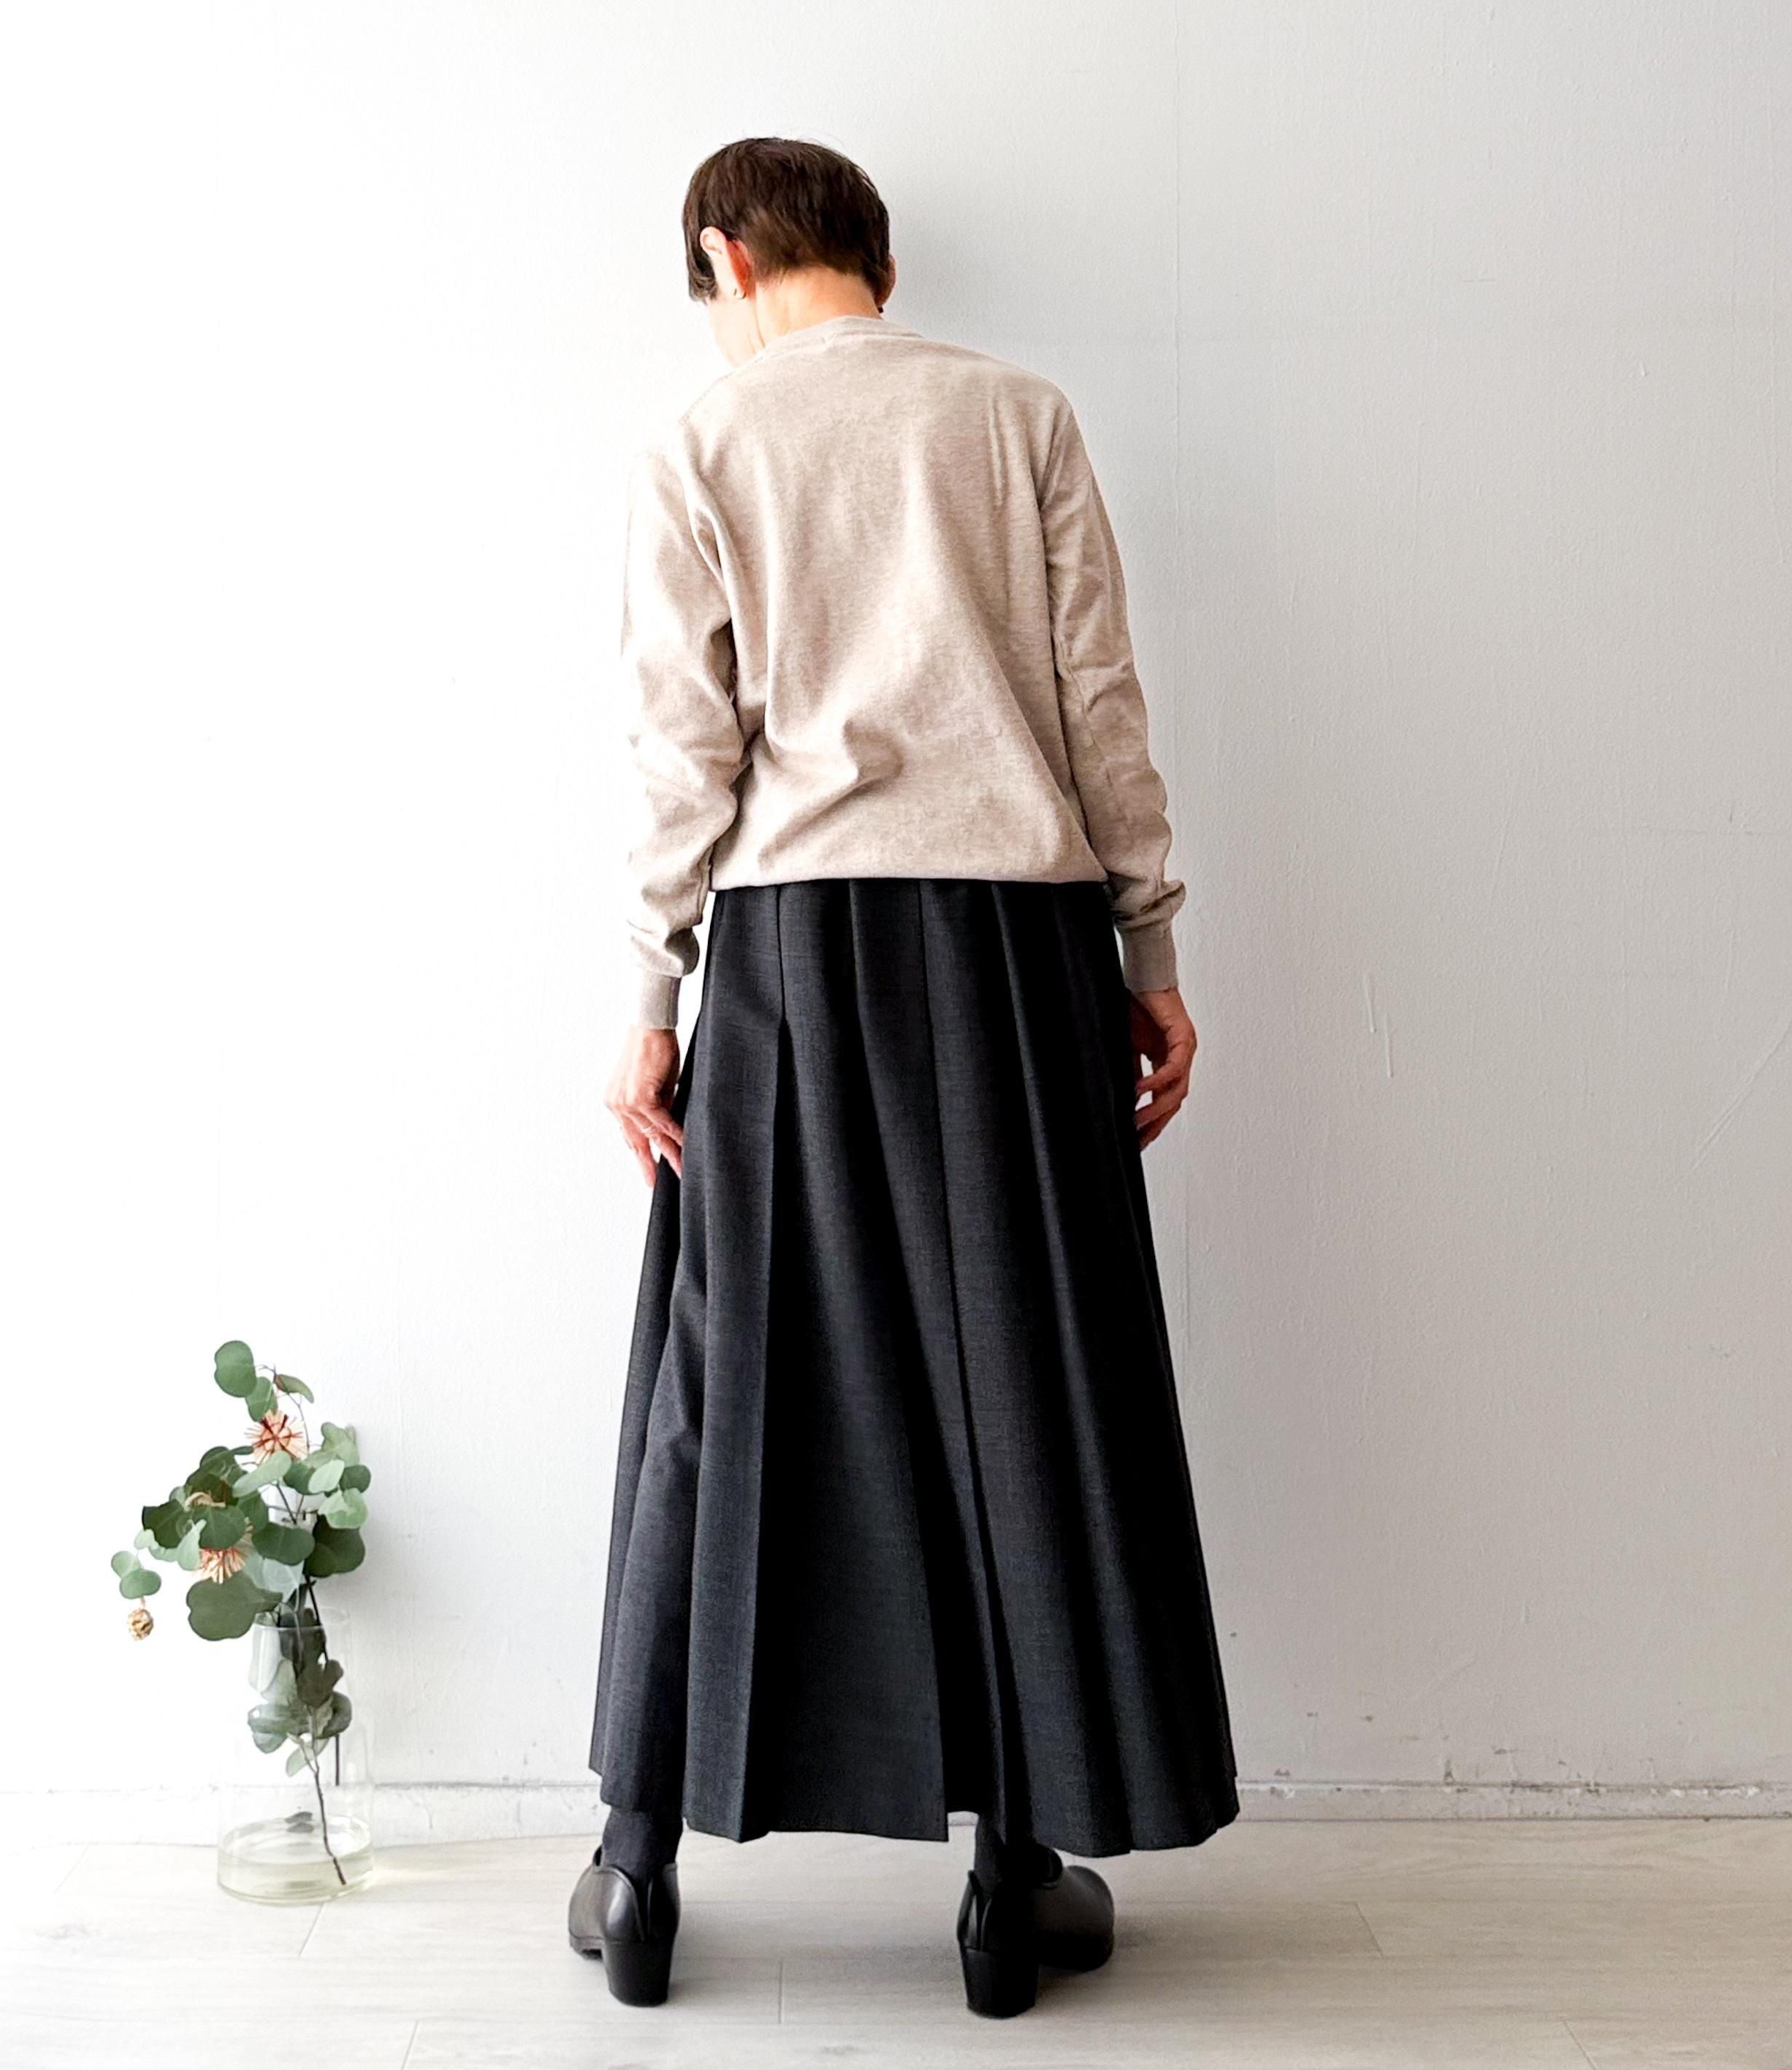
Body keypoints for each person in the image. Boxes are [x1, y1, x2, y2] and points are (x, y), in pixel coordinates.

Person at [569, 135, 1240, 2019]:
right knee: (1020, 1380)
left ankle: (639, 1867)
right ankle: (1009, 1883)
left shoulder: (704, 441)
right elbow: (1099, 703)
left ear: (726, 256)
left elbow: (681, 747)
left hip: (792, 955)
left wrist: (648, 986)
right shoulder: (1018, 416)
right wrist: (1150, 953)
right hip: (1018, 960)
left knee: (725, 1378)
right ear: (866, 252)